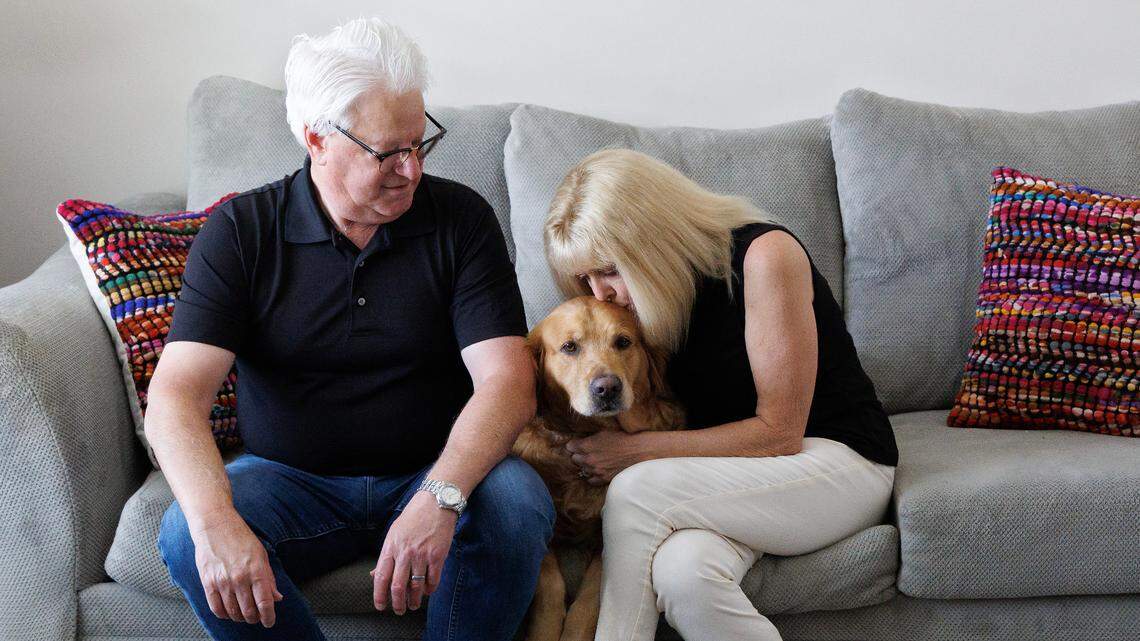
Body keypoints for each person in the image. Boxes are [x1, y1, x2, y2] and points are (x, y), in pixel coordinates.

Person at [148, 17, 554, 641]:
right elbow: (175, 396)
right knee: (183, 533)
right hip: (289, 480)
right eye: (389, 152)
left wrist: (440, 497)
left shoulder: (461, 220)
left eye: (421, 144)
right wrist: (214, 523)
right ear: (317, 138)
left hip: (433, 467)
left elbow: (507, 382)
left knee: (519, 503)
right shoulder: (240, 232)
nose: (412, 169)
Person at [543, 148, 899, 641]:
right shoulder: (647, 306)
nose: (600, 293)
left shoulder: (764, 255)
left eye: (607, 269)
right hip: (730, 482)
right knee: (682, 573)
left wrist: (633, 453)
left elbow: (780, 434)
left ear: (651, 238)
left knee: (637, 489)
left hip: (834, 462)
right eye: (585, 279)